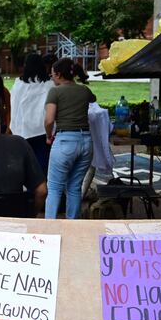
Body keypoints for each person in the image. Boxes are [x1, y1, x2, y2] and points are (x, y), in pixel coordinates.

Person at [44, 58, 95, 219]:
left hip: (65, 141)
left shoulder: (55, 92)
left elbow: (49, 120)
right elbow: (93, 99)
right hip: (86, 142)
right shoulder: (84, 90)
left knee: (54, 187)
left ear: (58, 74)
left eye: (52, 74)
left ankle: (49, 229)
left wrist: (48, 135)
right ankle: (72, 226)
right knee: (74, 187)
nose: (51, 77)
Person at [10, 53, 55, 174]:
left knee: (26, 164)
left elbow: (14, 104)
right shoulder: (50, 84)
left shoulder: (19, 83)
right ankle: (42, 189)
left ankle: (31, 189)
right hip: (42, 130)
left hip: (22, 129)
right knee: (42, 163)